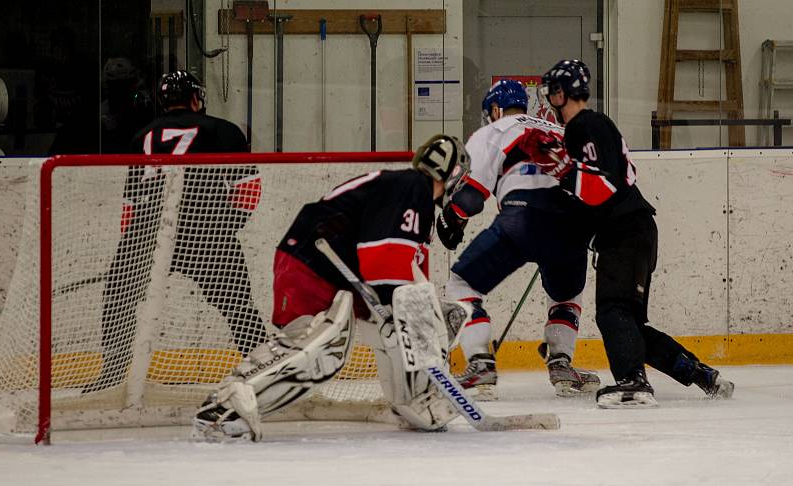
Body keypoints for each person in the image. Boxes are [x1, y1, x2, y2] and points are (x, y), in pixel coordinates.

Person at [193, 134, 473, 441]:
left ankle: (415, 401)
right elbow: (383, 260)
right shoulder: (412, 189)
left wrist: (418, 320)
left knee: (410, 320)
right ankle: (226, 407)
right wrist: (403, 314)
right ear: (455, 176)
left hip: (331, 270)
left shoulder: (412, 198)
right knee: (323, 347)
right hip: (315, 265)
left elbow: (409, 281)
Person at [531, 59, 735, 408]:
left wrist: (564, 171)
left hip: (624, 232)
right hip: (634, 229)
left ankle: (632, 383)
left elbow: (603, 186)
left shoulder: (584, 126)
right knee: (631, 322)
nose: (548, 99)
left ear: (562, 93)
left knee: (613, 311)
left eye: (551, 92)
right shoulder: (590, 128)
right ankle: (700, 374)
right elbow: (594, 194)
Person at [85, 70, 264, 393]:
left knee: (118, 298)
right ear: (196, 98)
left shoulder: (142, 136)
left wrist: (134, 247)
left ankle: (111, 375)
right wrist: (226, 228)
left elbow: (131, 204)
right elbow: (248, 188)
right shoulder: (223, 131)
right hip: (207, 233)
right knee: (238, 304)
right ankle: (265, 368)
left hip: (148, 233)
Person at [436, 79, 600, 400]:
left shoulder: (493, 131)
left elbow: (471, 196)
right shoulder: (560, 130)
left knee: (462, 285)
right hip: (572, 224)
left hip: (522, 218)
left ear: (494, 110)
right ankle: (561, 362)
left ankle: (480, 363)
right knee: (567, 295)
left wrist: (451, 219)